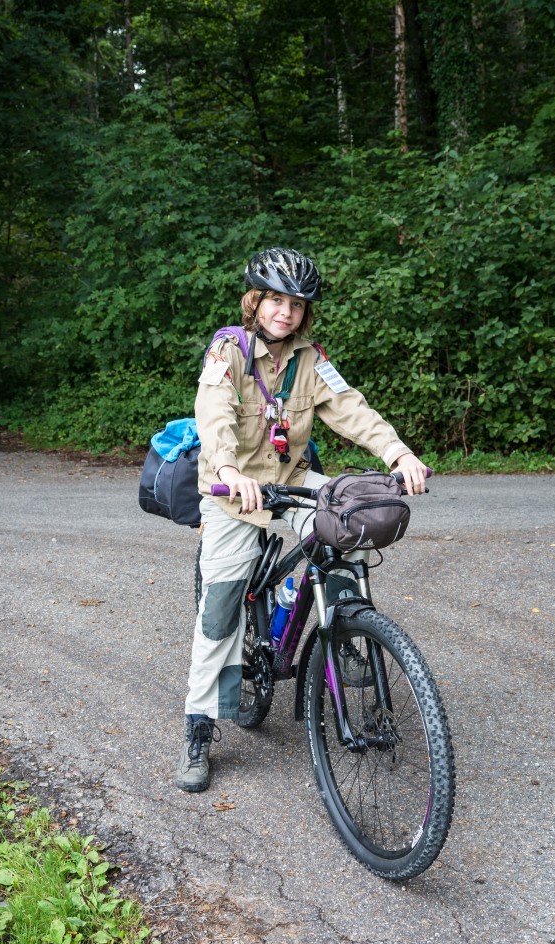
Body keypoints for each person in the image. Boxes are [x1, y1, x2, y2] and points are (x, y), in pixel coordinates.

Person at [176, 247, 428, 792]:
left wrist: (398, 453)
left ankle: (343, 627)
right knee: (220, 608)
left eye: (296, 305)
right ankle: (199, 725)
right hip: (232, 492)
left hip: (291, 480)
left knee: (353, 524)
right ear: (255, 302)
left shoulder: (311, 360)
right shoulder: (228, 350)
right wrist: (227, 468)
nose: (285, 313)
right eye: (276, 301)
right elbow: (213, 413)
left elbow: (351, 409)